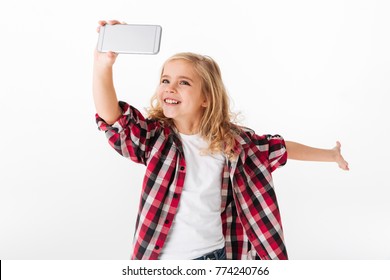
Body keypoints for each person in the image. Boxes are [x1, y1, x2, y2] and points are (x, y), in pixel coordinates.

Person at [93, 20, 349, 260]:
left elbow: (280, 148)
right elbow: (113, 118)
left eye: (183, 82)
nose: (170, 88)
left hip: (213, 257)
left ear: (206, 98)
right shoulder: (155, 138)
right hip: (158, 260)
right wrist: (103, 64)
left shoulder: (232, 143)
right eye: (165, 80)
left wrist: (331, 154)